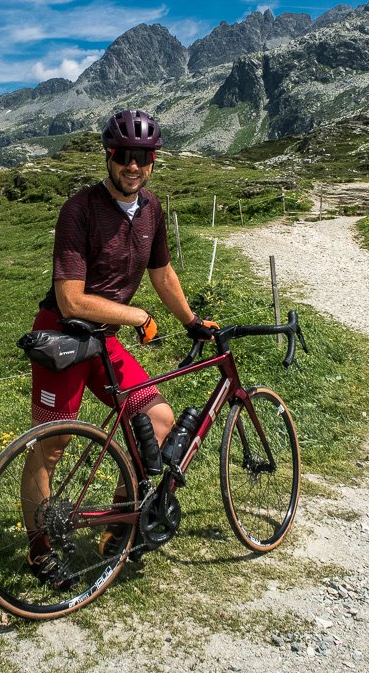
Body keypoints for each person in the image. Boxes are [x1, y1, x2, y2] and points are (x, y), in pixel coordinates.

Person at [20, 108, 217, 589]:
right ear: (109, 156)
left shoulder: (151, 209)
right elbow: (71, 298)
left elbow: (161, 273)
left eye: (143, 157)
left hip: (104, 340)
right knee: (52, 446)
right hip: (64, 336)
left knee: (158, 417)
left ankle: (118, 526)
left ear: (153, 161)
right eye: (124, 155)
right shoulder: (80, 210)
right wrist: (139, 316)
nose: (133, 165)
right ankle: (40, 550)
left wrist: (190, 321)